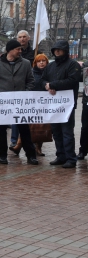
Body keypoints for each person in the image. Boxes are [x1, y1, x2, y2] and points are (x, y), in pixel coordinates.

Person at [0, 39, 39, 166]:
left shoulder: (25, 63)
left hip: (20, 103)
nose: (20, 51)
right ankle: (2, 156)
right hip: (2, 104)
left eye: (21, 49)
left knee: (24, 130)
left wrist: (25, 93)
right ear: (10, 50)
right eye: (18, 49)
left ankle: (31, 155)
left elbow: (31, 81)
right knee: (1, 130)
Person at [40, 39, 82, 169]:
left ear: (65, 51)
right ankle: (61, 155)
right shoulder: (51, 66)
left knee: (67, 132)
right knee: (56, 132)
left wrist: (53, 85)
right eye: (55, 50)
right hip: (53, 105)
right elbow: (42, 80)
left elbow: (72, 81)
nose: (57, 52)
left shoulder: (72, 64)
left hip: (67, 106)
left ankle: (71, 158)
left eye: (60, 49)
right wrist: (47, 86)